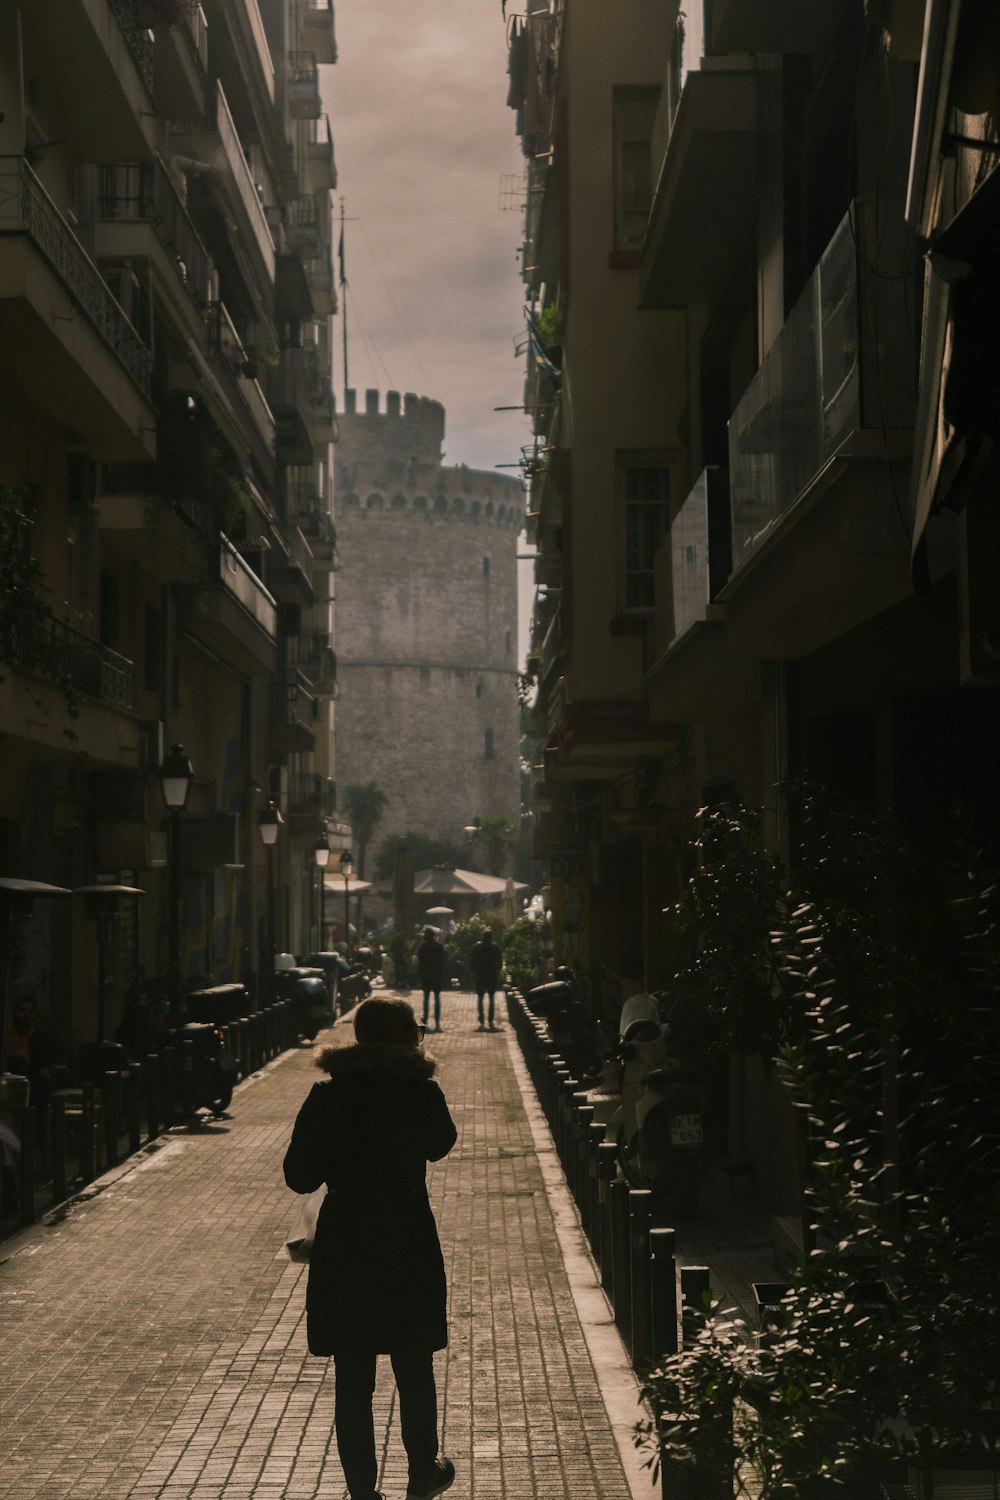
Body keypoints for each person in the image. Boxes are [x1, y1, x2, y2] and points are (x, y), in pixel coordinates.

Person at [283, 996, 457, 1500]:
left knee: (353, 1374)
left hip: (347, 1242)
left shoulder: (328, 1095)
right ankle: (423, 1471)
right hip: (406, 1236)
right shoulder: (420, 1093)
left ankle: (362, 1490)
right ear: (402, 1037)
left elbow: (299, 1176)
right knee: (413, 1362)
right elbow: (440, 1143)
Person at [469, 929, 502, 1031]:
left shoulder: (476, 947)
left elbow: (472, 962)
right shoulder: (495, 947)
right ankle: (490, 1021)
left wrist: (473, 974)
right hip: (491, 976)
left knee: (480, 998)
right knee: (491, 998)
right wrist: (497, 971)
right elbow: (500, 962)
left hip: (480, 976)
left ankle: (482, 1020)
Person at [415, 927, 446, 1032]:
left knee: (426, 1000)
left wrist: (419, 976)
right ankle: (437, 1024)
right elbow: (443, 962)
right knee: (437, 999)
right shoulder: (439, 946)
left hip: (426, 976)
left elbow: (420, 962)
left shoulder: (422, 947)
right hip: (436, 976)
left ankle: (425, 1022)